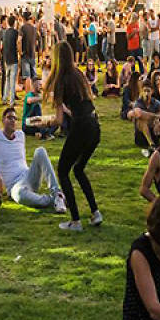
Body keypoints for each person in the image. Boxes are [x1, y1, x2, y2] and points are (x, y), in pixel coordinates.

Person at [43, 41, 102, 231]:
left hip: (81, 128)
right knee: (78, 169)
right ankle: (95, 212)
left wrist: (45, 122)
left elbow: (59, 120)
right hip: (94, 125)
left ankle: (75, 220)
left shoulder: (61, 80)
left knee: (62, 170)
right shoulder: (78, 75)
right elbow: (82, 104)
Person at [0, 107, 66, 212]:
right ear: (3, 120)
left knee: (40, 151)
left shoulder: (20, 135)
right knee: (20, 195)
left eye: (15, 118)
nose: (12, 120)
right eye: (9, 117)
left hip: (28, 176)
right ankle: (54, 200)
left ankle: (57, 193)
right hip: (14, 186)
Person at [131, 83, 160, 155]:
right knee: (141, 120)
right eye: (144, 91)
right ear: (141, 91)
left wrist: (159, 121)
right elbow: (139, 114)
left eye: (148, 91)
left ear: (152, 91)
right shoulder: (138, 103)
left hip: (154, 131)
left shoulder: (155, 102)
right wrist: (156, 116)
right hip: (141, 137)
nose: (146, 93)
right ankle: (152, 145)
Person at [1, 16, 21, 106]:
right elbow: (18, 44)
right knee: (12, 80)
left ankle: (5, 98)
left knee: (7, 79)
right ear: (14, 23)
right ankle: (12, 101)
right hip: (13, 58)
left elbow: (2, 46)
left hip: (6, 58)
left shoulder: (4, 33)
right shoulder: (16, 32)